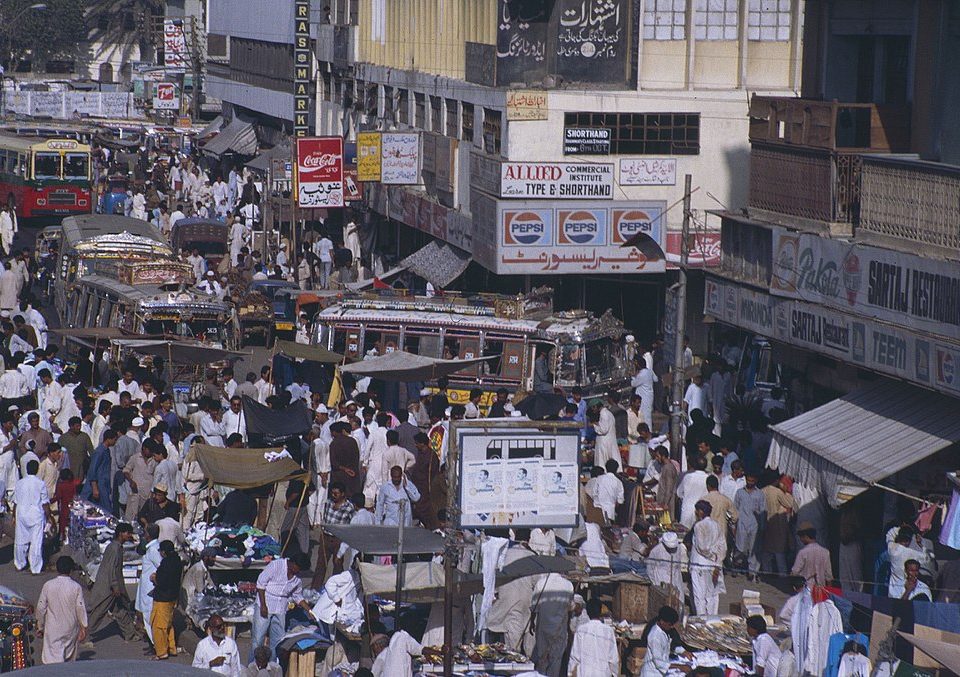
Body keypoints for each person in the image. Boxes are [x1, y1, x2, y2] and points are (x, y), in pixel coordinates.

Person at [251, 553, 314, 663]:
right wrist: (263, 605)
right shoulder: (276, 566)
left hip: (280, 608)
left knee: (277, 640)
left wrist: (309, 610)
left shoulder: (297, 579)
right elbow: (261, 584)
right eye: (298, 568)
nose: (298, 572)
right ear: (293, 563)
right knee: (258, 639)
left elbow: (297, 596)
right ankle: (253, 665)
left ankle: (272, 665)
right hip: (265, 603)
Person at [87, 523, 142, 641]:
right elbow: (111, 568)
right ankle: (84, 635)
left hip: (113, 586)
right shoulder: (114, 548)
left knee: (120, 610)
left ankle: (130, 634)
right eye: (128, 533)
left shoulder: (117, 547)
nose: (129, 536)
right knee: (98, 612)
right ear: (120, 534)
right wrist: (115, 586)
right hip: (109, 588)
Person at [36, 556, 88, 664]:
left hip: (53, 629)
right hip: (70, 628)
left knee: (53, 662)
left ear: (57, 568)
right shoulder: (76, 587)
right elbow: (80, 608)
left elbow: (41, 608)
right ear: (70, 570)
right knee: (68, 661)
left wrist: (40, 626)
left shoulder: (48, 585)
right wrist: (83, 626)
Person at [13, 459, 50, 574]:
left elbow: (15, 502)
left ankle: (19, 563)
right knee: (36, 541)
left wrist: (14, 516)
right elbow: (45, 503)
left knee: (20, 539)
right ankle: (35, 567)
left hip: (21, 513)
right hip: (36, 515)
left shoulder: (19, 483)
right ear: (37, 469)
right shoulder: (40, 484)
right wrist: (49, 517)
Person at [690, 500, 725, 615]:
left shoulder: (699, 526)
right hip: (713, 566)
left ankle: (701, 619)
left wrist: (711, 556)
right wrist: (717, 563)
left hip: (700, 565)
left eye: (697, 510)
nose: (695, 512)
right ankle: (712, 619)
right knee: (712, 595)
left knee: (699, 595)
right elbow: (723, 547)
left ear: (701, 511)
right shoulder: (717, 525)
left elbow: (702, 547)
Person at [568, 598, 619, 677]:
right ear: (600, 611)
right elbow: (613, 658)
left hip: (584, 673)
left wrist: (570, 673)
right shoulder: (608, 631)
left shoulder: (581, 630)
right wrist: (614, 673)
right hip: (603, 674)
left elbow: (574, 656)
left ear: (587, 612)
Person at [150, 540, 183, 660]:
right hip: (172, 597)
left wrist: (154, 578)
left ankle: (161, 652)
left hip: (162, 598)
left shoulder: (166, 563)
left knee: (158, 626)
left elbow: (162, 581)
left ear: (163, 552)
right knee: (168, 624)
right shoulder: (177, 561)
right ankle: (171, 647)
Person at [733, 471, 766, 580]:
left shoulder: (760, 494)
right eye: (748, 480)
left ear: (755, 481)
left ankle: (752, 571)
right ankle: (736, 566)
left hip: (754, 525)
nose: (750, 482)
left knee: (753, 548)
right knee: (740, 547)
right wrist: (734, 524)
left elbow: (762, 511)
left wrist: (762, 526)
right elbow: (735, 508)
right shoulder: (739, 492)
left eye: (752, 480)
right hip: (741, 523)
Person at [887, 526, 935, 597]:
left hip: (893, 587)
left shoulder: (891, 548)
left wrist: (903, 527)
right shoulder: (910, 553)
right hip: (906, 586)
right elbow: (931, 557)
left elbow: (890, 533)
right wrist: (921, 545)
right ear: (908, 541)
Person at [136, 524, 162, 644]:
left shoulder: (153, 550)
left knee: (148, 616)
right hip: (146, 587)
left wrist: (155, 577)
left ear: (148, 535)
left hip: (149, 588)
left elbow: (161, 567)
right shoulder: (152, 548)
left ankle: (156, 644)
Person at [647, 531, 687, 604]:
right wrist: (654, 583)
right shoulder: (656, 551)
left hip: (676, 578)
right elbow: (650, 569)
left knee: (679, 601)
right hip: (661, 579)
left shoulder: (679, 548)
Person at [640, 605, 680, 677]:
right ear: (662, 622)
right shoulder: (655, 636)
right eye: (670, 624)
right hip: (651, 673)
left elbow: (669, 646)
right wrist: (679, 667)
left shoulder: (664, 631)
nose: (672, 627)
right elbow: (659, 662)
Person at [791, 522, 833, 587]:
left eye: (801, 537)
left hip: (806, 589)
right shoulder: (825, 552)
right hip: (821, 589)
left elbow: (795, 572)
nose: (800, 540)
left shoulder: (802, 552)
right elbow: (828, 575)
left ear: (805, 536)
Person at [677, 455, 709, 528]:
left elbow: (679, 493)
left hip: (687, 510)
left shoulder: (688, 477)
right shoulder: (708, 478)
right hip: (701, 511)